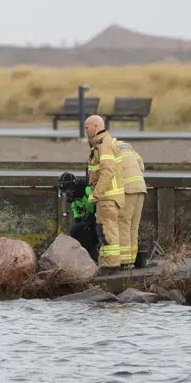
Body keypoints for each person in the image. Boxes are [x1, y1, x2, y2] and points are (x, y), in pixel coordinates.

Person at [84, 114, 127, 270]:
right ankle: (112, 263)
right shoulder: (102, 143)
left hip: (107, 197)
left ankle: (110, 265)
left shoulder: (104, 145)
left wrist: (97, 194)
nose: (85, 130)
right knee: (110, 230)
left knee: (107, 231)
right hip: (109, 196)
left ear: (96, 127)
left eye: (87, 127)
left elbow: (107, 170)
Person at [116, 137, 148, 266]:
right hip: (140, 188)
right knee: (133, 226)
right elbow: (141, 166)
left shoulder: (107, 149)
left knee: (123, 224)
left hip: (128, 190)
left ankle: (125, 261)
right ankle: (132, 259)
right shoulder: (128, 147)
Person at [58, 170, 100, 258]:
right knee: (76, 231)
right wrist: (78, 218)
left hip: (98, 217)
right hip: (89, 217)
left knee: (92, 236)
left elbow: (98, 202)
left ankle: (95, 256)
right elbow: (75, 207)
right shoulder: (74, 195)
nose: (67, 194)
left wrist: (94, 217)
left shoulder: (87, 189)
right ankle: (86, 255)